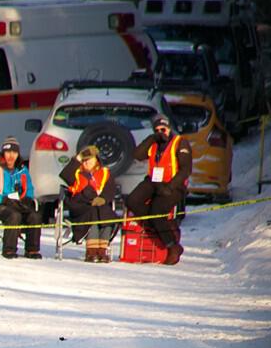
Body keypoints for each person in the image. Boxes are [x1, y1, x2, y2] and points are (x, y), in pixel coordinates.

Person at [126, 114, 192, 265]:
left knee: (157, 211)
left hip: (173, 184)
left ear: (169, 128)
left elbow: (185, 169)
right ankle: (159, 226)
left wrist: (170, 187)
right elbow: (137, 155)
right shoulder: (154, 143)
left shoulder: (179, 143)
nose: (161, 132)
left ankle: (172, 246)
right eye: (157, 130)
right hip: (153, 180)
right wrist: (151, 139)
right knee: (132, 200)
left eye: (164, 129)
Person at [0, 137, 42, 259]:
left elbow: (29, 189)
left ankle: (32, 250)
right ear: (3, 153)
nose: (11, 156)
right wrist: (2, 199)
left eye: (14, 152)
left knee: (35, 216)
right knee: (14, 216)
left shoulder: (22, 170)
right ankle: (9, 250)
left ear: (18, 154)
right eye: (8, 152)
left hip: (18, 203)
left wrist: (26, 199)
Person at [59, 145, 118, 263]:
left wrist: (103, 199)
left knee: (108, 215)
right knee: (93, 213)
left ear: (96, 159)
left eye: (88, 160)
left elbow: (110, 190)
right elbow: (64, 175)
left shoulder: (105, 172)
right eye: (84, 160)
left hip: (99, 205)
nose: (85, 163)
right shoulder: (76, 172)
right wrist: (78, 158)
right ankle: (91, 251)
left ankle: (102, 251)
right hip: (80, 205)